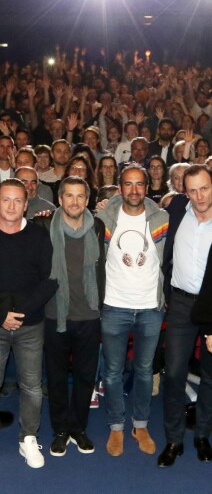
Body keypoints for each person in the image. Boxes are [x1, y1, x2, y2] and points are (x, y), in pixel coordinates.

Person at [0, 179, 57, 471]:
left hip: (30, 325)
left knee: (31, 386)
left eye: (18, 200)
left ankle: (28, 437)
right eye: (6, 200)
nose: (12, 206)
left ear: (27, 205)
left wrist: (21, 313)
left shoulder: (40, 237)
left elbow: (50, 280)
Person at [96, 164, 169, 457]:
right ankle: (116, 427)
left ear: (147, 187)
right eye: (128, 184)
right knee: (112, 372)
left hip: (151, 307)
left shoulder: (161, 217)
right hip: (114, 305)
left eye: (140, 184)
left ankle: (140, 424)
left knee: (143, 371)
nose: (135, 190)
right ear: (120, 186)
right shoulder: (104, 215)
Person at [33, 177, 105, 456]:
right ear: (60, 199)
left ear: (87, 200)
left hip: (89, 314)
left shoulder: (97, 226)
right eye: (69, 196)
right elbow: (10, 222)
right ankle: (61, 430)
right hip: (55, 314)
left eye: (80, 196)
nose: (74, 201)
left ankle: (79, 428)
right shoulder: (43, 224)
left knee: (86, 377)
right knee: (57, 377)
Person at [158, 165, 212, 467]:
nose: (199, 196)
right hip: (179, 304)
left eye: (204, 188)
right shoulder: (178, 207)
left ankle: (202, 434)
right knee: (175, 374)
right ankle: (174, 440)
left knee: (210, 376)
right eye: (192, 190)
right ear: (184, 192)